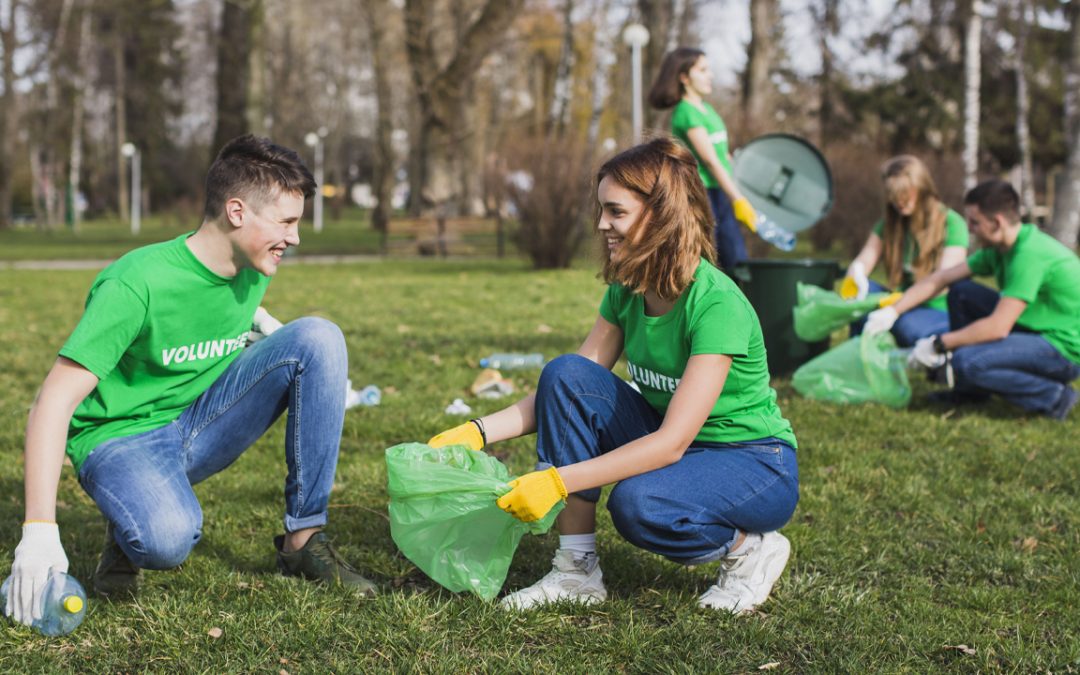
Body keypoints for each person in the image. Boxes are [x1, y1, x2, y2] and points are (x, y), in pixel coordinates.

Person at [4, 135, 376, 629]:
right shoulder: (134, 284)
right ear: (237, 212)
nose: (296, 237)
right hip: (120, 440)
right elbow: (51, 403)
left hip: (197, 420)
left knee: (319, 338)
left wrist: (264, 326)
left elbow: (215, 306)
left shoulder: (252, 266)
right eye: (287, 222)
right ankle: (127, 523)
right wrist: (39, 532)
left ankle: (304, 541)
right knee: (167, 540)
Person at [428, 138, 799, 613]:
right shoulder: (629, 289)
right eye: (602, 210)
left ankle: (750, 548)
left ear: (661, 214)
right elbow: (566, 390)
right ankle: (575, 572)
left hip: (754, 462)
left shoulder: (715, 302)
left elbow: (671, 445)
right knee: (566, 372)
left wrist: (557, 481)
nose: (602, 223)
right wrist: (476, 432)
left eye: (615, 211)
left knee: (640, 505)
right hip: (681, 443)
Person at [864, 179, 1080, 419]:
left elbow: (998, 327)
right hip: (1039, 329)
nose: (969, 229)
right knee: (962, 291)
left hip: (1066, 350)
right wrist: (893, 311)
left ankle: (1054, 397)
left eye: (975, 222)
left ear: (996, 222)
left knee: (967, 361)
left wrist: (939, 344)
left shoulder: (1029, 256)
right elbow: (943, 278)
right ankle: (971, 391)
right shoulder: (1000, 249)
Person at [648, 47, 757, 271]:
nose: (711, 75)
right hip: (702, 193)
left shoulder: (707, 109)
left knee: (736, 258)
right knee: (714, 258)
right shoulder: (686, 112)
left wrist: (743, 183)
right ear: (684, 77)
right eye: (703, 70)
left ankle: (739, 302)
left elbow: (722, 154)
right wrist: (738, 199)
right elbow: (710, 161)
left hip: (720, 191)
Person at [843, 155, 970, 347]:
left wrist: (895, 309)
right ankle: (857, 354)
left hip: (935, 308)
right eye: (893, 196)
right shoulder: (890, 224)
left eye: (905, 194)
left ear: (922, 189)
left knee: (907, 328)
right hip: (900, 300)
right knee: (860, 298)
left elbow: (941, 282)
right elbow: (864, 260)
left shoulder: (952, 224)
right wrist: (856, 275)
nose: (899, 202)